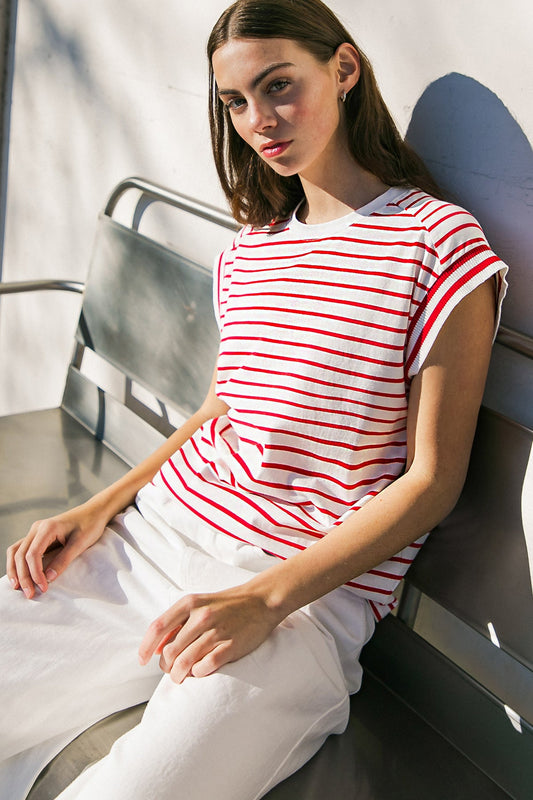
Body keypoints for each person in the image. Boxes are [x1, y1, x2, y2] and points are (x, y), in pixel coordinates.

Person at [1, 1, 507, 798]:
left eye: (278, 86)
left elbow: (430, 482)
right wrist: (100, 508)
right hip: (152, 541)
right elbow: (218, 411)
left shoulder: (435, 242)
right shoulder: (248, 253)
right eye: (235, 102)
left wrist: (262, 600)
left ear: (343, 70)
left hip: (301, 597)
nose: (258, 120)